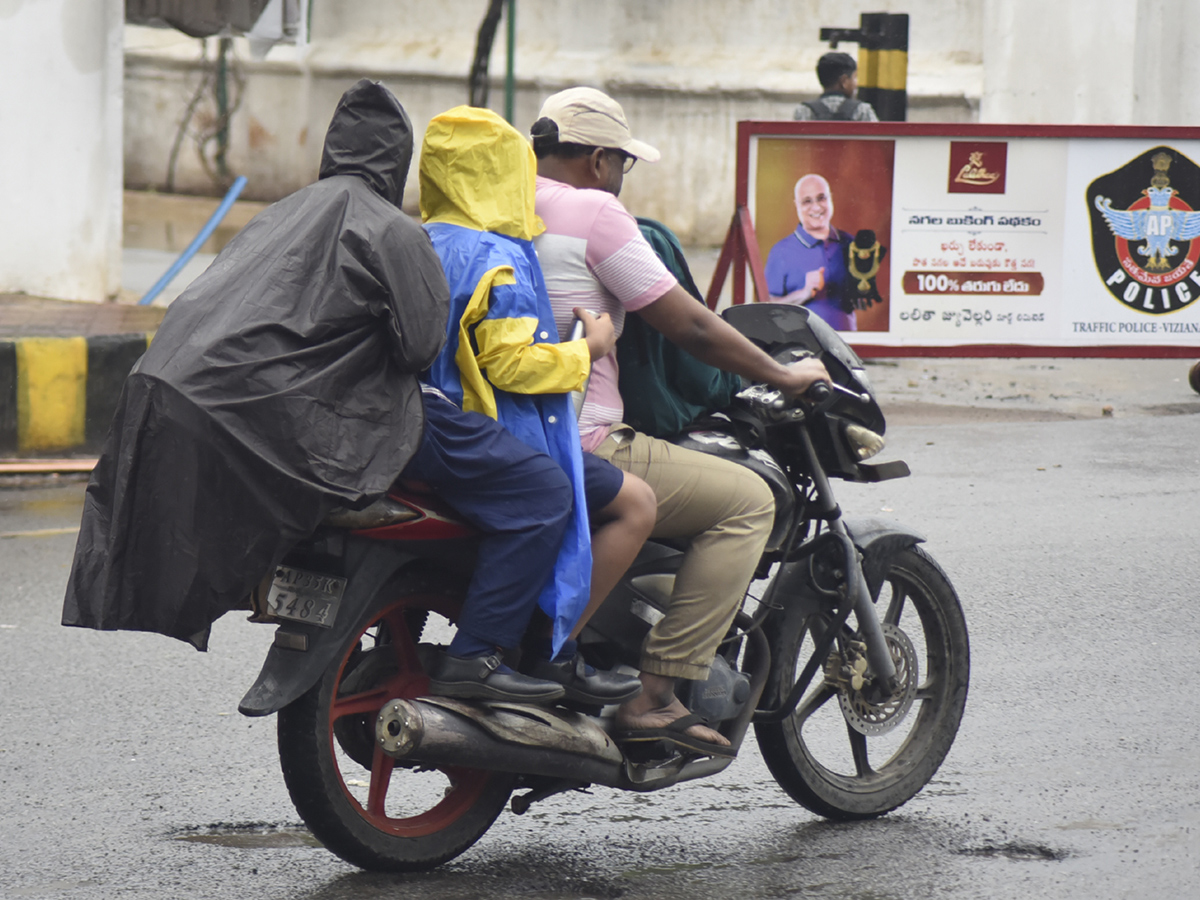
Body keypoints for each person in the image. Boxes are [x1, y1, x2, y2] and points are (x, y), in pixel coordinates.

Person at [62, 80, 449, 650]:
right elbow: (420, 347)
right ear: (398, 162)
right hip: (263, 411)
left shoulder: (278, 212)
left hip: (164, 382)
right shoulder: (394, 230)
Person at [531, 86, 830, 757]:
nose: (619, 180)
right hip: (581, 438)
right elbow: (690, 325)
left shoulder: (491, 205)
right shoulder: (597, 213)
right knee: (749, 502)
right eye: (623, 166)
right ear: (603, 161)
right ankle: (656, 696)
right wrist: (781, 375)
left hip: (493, 433)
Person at [412, 105, 652, 706]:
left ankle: (555, 652)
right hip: (494, 426)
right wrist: (591, 347)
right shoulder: (499, 255)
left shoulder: (423, 241)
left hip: (430, 419)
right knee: (557, 495)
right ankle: (517, 654)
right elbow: (513, 363)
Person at [764, 173, 857, 331]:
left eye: (822, 198)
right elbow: (765, 308)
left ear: (830, 199)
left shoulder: (851, 243)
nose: (816, 207)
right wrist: (804, 293)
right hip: (801, 350)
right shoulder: (780, 252)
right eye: (807, 201)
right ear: (797, 205)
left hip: (848, 347)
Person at [793, 51, 879, 122]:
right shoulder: (862, 110)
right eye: (854, 78)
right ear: (844, 81)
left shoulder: (804, 110)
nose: (856, 84)